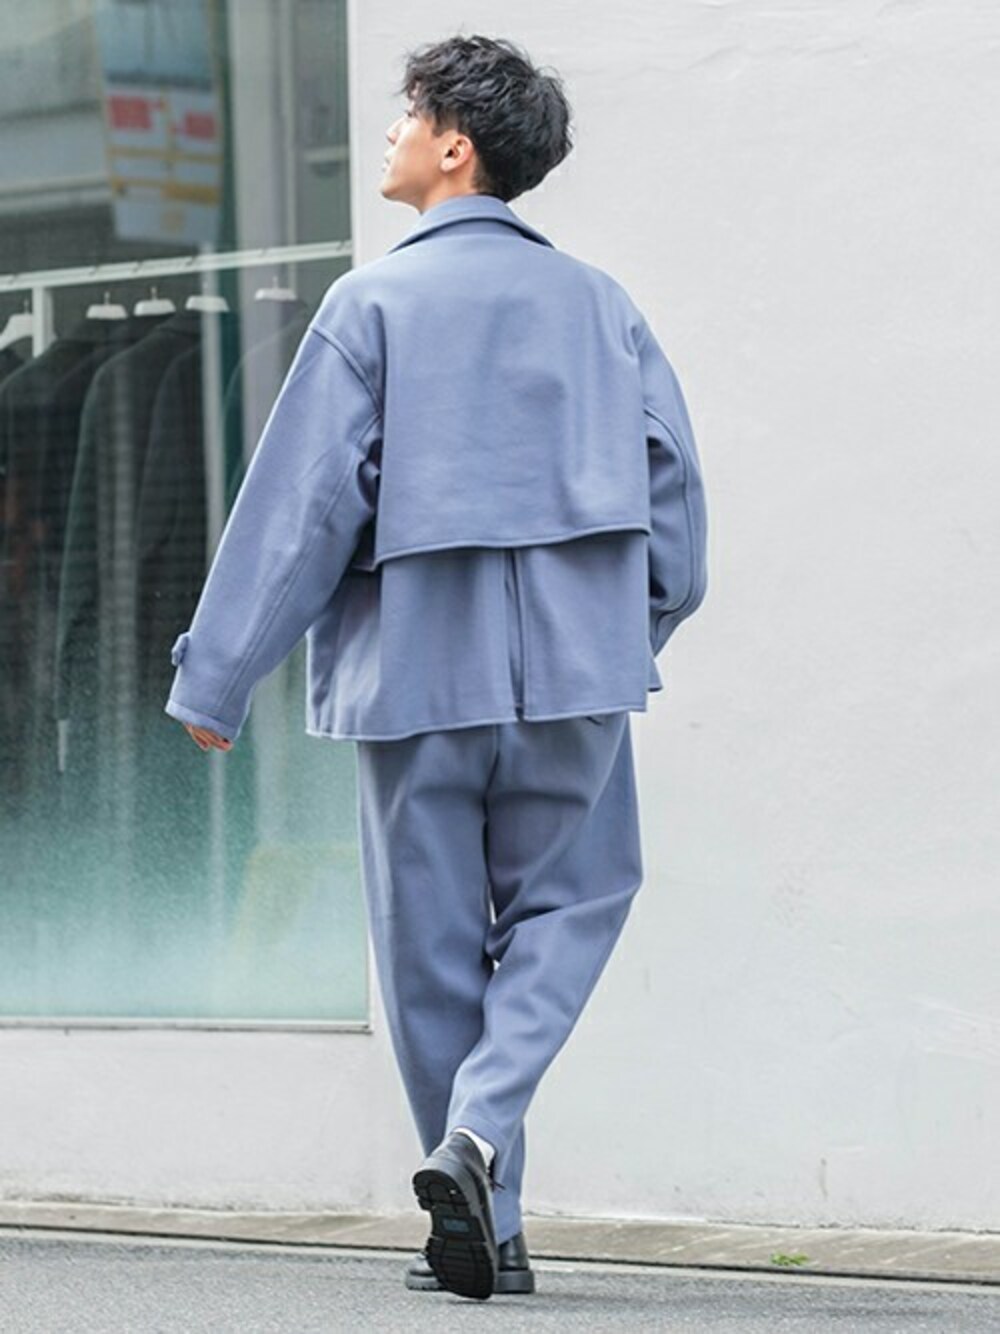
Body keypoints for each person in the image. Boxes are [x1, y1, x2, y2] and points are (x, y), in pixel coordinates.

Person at [165, 33, 708, 1301]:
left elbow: (302, 508)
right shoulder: (603, 306)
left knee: (427, 952)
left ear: (454, 144)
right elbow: (674, 508)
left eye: (407, 117)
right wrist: (624, 624)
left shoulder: (370, 306)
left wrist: (219, 676)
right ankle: (480, 1144)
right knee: (576, 901)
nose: (392, 135)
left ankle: (484, 1220)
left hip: (415, 677)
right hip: (573, 671)